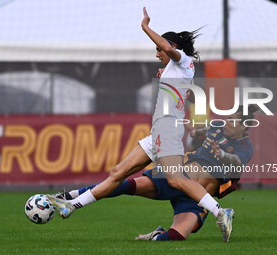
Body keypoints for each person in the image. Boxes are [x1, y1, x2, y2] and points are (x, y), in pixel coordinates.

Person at [48, 7, 234, 242]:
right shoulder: (175, 68)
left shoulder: (182, 59)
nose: (158, 53)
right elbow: (176, 77)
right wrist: (164, 74)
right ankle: (72, 205)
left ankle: (220, 212)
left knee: (176, 180)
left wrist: (146, 27)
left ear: (173, 47)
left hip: (167, 130)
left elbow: (168, 49)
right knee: (117, 173)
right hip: (157, 132)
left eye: (159, 49)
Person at [48, 105, 259, 242]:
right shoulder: (217, 127)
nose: (227, 122)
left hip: (197, 199)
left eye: (233, 120)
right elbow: (197, 132)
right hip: (178, 177)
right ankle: (69, 197)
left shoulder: (245, 147)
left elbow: (235, 161)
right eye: (227, 117)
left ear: (245, 126)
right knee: (125, 185)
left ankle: (156, 236)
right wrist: (199, 133)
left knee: (176, 237)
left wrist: (219, 152)